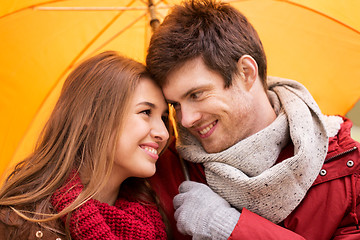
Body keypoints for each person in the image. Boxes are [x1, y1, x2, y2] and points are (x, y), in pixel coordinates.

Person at [146, 0, 360, 239]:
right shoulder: (163, 168)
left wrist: (226, 226)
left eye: (196, 94)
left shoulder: (350, 171)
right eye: (175, 104)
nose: (185, 120)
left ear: (246, 72)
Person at [0, 51, 171, 239]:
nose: (163, 133)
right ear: (93, 116)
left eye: (164, 118)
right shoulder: (19, 223)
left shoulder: (155, 221)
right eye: (146, 112)